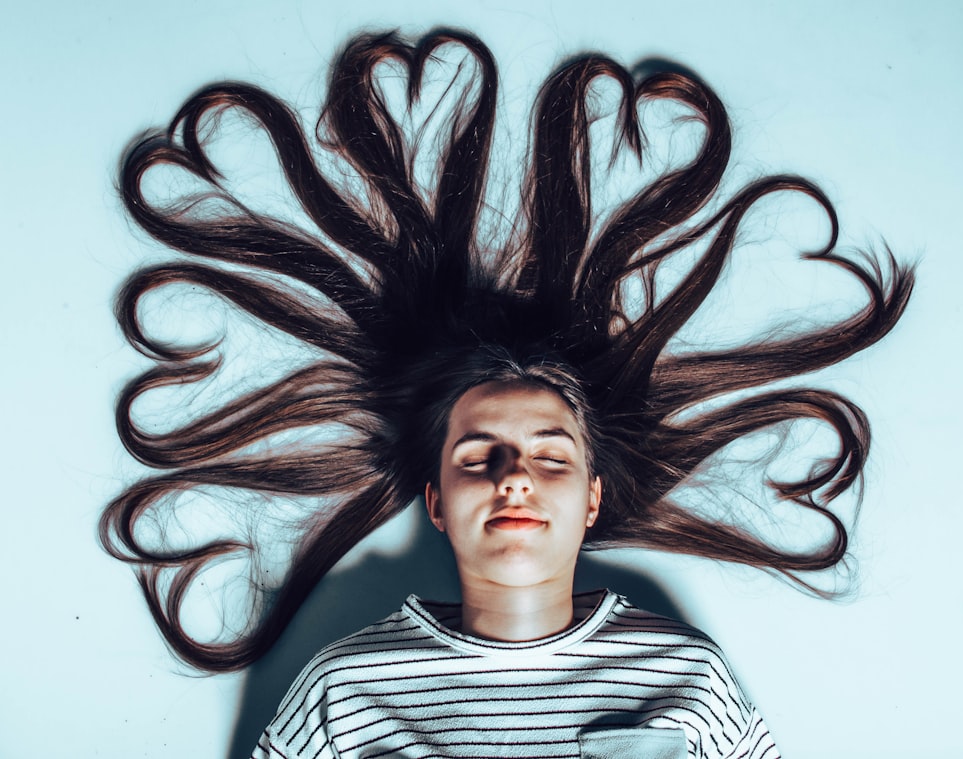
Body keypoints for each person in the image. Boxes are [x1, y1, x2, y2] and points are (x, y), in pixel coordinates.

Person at [100, 29, 913, 758]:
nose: (514, 476)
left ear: (592, 498)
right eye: (480, 455)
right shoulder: (344, 694)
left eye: (550, 456)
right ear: (436, 500)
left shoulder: (686, 678)